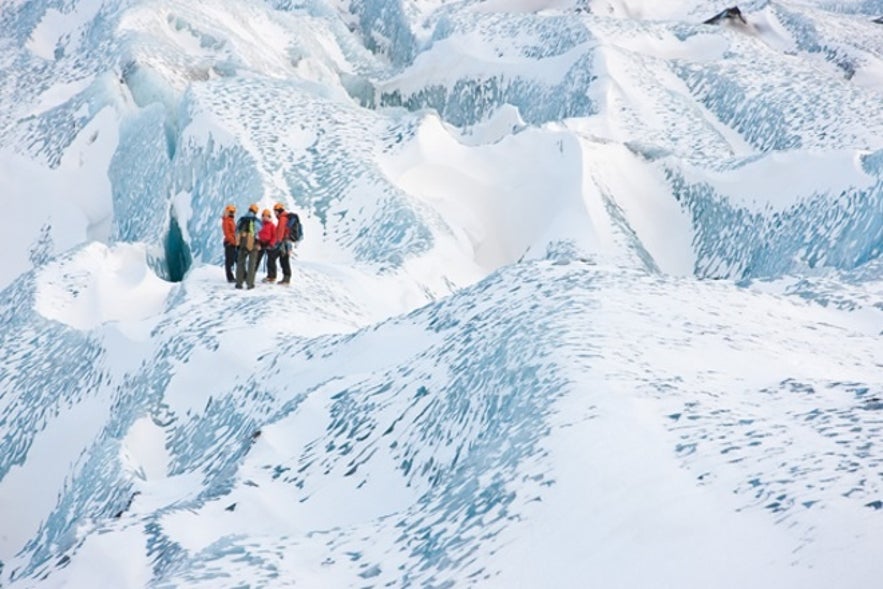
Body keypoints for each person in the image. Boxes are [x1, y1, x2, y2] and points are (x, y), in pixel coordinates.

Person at [234, 203, 262, 290]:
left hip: (242, 242)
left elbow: (236, 230)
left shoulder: (242, 219)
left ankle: (239, 283)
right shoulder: (256, 221)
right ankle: (250, 284)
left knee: (240, 262)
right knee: (251, 263)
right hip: (252, 243)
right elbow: (259, 232)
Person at [272, 202, 293, 285]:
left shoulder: (282, 219)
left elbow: (281, 231)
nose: (274, 213)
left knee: (284, 260)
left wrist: (278, 242)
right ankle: (286, 278)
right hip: (287, 242)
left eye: (275, 211)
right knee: (284, 259)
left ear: (278, 211)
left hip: (284, 242)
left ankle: (286, 279)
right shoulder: (284, 217)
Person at [255, 208, 277, 283]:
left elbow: (275, 236)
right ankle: (251, 274)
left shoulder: (272, 225)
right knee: (256, 258)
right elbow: (257, 234)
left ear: (269, 217)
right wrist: (257, 243)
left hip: (269, 243)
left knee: (271, 260)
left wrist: (271, 244)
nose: (265, 217)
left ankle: (271, 276)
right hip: (261, 243)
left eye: (266, 216)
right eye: (263, 216)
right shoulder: (260, 224)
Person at [221, 204, 237, 283]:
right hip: (230, 243)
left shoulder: (230, 220)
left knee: (232, 259)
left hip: (232, 242)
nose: (232, 213)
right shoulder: (227, 221)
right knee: (229, 260)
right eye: (230, 211)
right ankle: (230, 277)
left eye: (233, 212)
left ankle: (233, 276)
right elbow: (228, 233)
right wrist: (233, 242)